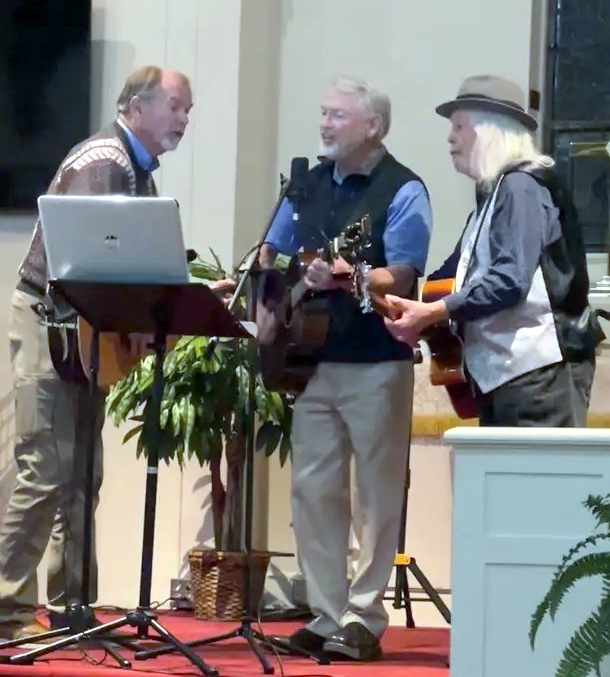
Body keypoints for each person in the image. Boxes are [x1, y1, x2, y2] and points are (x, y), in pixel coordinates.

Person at [0, 65, 193, 640]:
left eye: (188, 109)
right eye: (176, 106)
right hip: (52, 324)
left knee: (83, 473)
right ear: (136, 106)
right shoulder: (105, 163)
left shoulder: (135, 170)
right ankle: (6, 611)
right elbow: (83, 265)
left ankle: (72, 610)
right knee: (46, 470)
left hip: (79, 331)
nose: (185, 119)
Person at [259, 76, 432, 661]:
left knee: (376, 496)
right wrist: (276, 293)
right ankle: (325, 613)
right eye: (323, 113)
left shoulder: (404, 189)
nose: (324, 124)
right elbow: (270, 253)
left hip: (375, 360)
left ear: (373, 127)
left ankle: (363, 618)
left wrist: (350, 275)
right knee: (313, 490)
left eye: (337, 115)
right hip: (309, 360)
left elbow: (402, 274)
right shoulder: (306, 185)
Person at [384, 74, 602, 427]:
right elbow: (451, 279)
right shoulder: (495, 194)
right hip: (509, 376)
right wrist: (416, 314)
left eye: (459, 126)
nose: (449, 137)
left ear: (489, 131)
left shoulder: (521, 188)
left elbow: (509, 281)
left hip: (539, 376)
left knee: (533, 464)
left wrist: (433, 312)